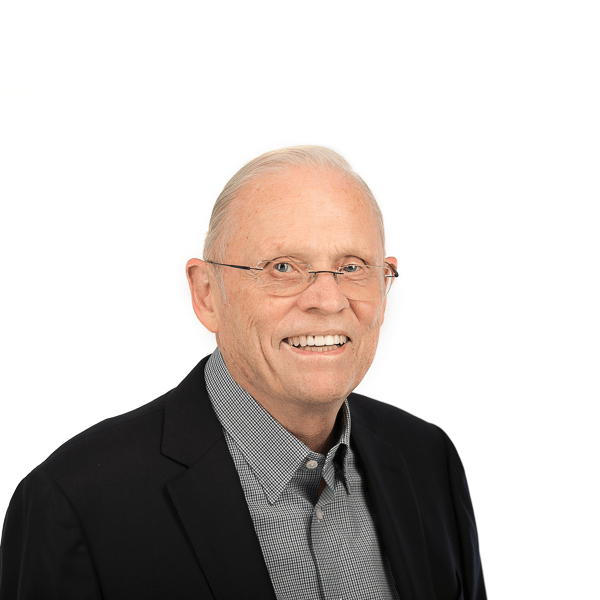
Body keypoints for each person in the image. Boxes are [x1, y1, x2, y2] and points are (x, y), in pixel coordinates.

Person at [0, 146, 486, 599]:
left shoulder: (429, 462)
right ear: (207, 294)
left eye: (353, 267)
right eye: (283, 267)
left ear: (385, 285)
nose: (328, 299)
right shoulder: (75, 503)